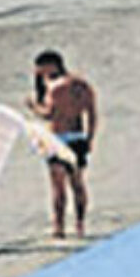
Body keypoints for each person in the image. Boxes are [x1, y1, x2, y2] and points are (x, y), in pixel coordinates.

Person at [27, 50, 98, 239]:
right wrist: (90, 138)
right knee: (78, 183)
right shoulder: (82, 85)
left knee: (58, 187)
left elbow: (50, 114)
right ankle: (80, 224)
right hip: (78, 137)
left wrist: (34, 107)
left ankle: (59, 226)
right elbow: (92, 114)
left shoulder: (55, 87)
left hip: (58, 139)